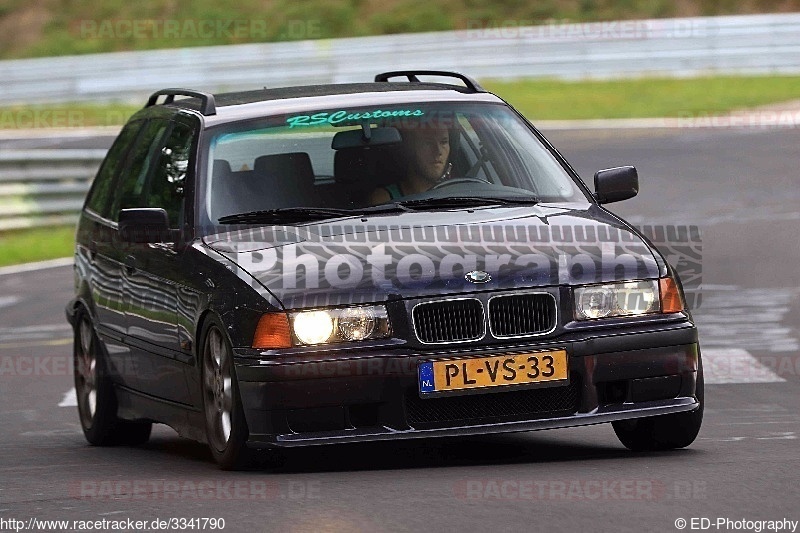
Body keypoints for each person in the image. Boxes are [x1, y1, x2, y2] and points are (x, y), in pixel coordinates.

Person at [367, 126, 451, 204]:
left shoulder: (455, 193)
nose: (438, 151)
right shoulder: (384, 199)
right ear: (409, 149)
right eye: (428, 143)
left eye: (444, 142)